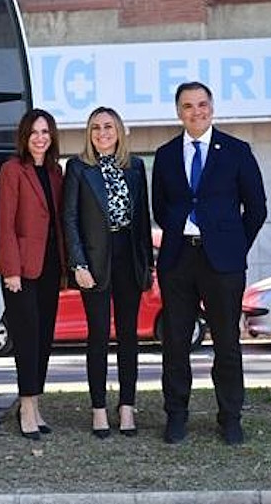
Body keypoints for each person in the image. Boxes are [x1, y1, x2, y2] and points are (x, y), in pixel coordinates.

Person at [152, 81, 267, 445]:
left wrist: (234, 247)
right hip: (178, 260)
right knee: (175, 343)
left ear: (212, 107)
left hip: (224, 263)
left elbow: (257, 208)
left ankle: (230, 418)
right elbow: (161, 208)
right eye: (188, 106)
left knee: (227, 344)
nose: (196, 112)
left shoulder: (236, 150)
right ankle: (176, 417)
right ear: (178, 112)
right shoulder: (166, 154)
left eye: (202, 104)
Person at [63, 106, 154, 439]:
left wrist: (148, 266)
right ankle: (99, 408)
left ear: (119, 131)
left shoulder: (135, 167)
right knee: (98, 335)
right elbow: (69, 219)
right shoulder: (77, 168)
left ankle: (126, 406)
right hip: (95, 263)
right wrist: (78, 264)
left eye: (109, 126)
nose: (103, 132)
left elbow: (143, 219)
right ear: (89, 133)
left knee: (129, 336)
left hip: (128, 259)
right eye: (96, 127)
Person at [0, 108, 66, 441]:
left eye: (46, 132)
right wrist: (11, 270)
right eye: (35, 132)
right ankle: (25, 407)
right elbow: (4, 224)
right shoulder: (12, 170)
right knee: (26, 338)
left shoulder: (55, 173)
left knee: (44, 338)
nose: (40, 138)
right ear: (25, 136)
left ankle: (36, 405)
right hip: (20, 268)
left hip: (50, 266)